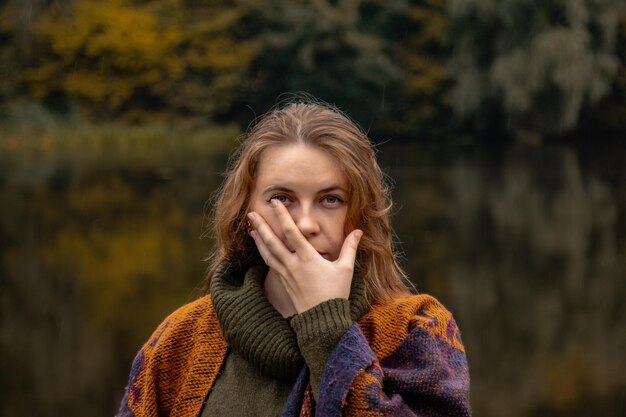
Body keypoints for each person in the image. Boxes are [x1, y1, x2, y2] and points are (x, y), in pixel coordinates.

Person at [117, 100, 471, 417]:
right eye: (281, 198)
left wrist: (327, 328)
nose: (303, 224)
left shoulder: (417, 330)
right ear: (245, 211)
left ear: (362, 214)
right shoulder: (179, 340)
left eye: (330, 199)